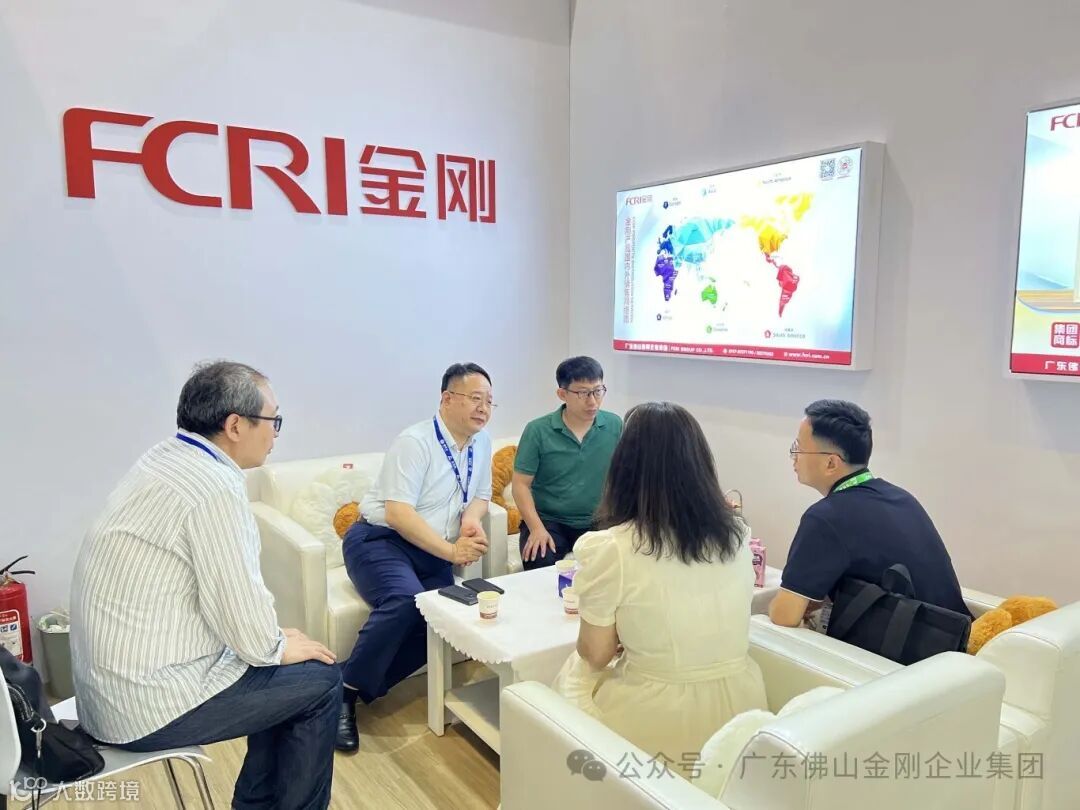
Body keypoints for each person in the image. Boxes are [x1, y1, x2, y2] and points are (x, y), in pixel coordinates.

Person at [71, 361, 341, 810]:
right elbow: (239, 611)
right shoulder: (212, 488)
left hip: (108, 694)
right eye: (273, 421)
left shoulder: (164, 458)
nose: (275, 434)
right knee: (323, 681)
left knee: (285, 675)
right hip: (145, 706)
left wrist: (272, 645)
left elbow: (236, 617)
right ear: (235, 426)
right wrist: (273, 645)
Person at [556, 401, 767, 776]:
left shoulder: (613, 548)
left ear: (625, 468)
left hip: (658, 712)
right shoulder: (736, 534)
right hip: (742, 709)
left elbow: (596, 654)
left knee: (572, 680)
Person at [337, 363, 494, 751]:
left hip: (429, 547)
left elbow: (481, 495)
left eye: (490, 401)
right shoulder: (415, 442)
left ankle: (344, 684)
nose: (484, 408)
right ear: (447, 399)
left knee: (443, 618)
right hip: (381, 540)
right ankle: (343, 697)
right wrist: (452, 551)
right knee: (405, 601)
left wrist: (470, 520)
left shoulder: (482, 442)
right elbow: (398, 514)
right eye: (476, 398)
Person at [769, 399, 969, 628]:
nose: (794, 456)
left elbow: (784, 617)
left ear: (831, 463)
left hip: (909, 646)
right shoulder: (902, 499)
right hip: (955, 638)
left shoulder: (825, 518)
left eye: (799, 447)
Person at [512, 356, 622, 569]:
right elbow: (520, 485)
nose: (592, 401)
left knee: (616, 564)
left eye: (598, 391)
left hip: (598, 520)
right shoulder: (537, 430)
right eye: (583, 393)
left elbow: (627, 476)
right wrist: (536, 528)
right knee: (539, 558)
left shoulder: (614, 425)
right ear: (562, 394)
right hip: (549, 521)